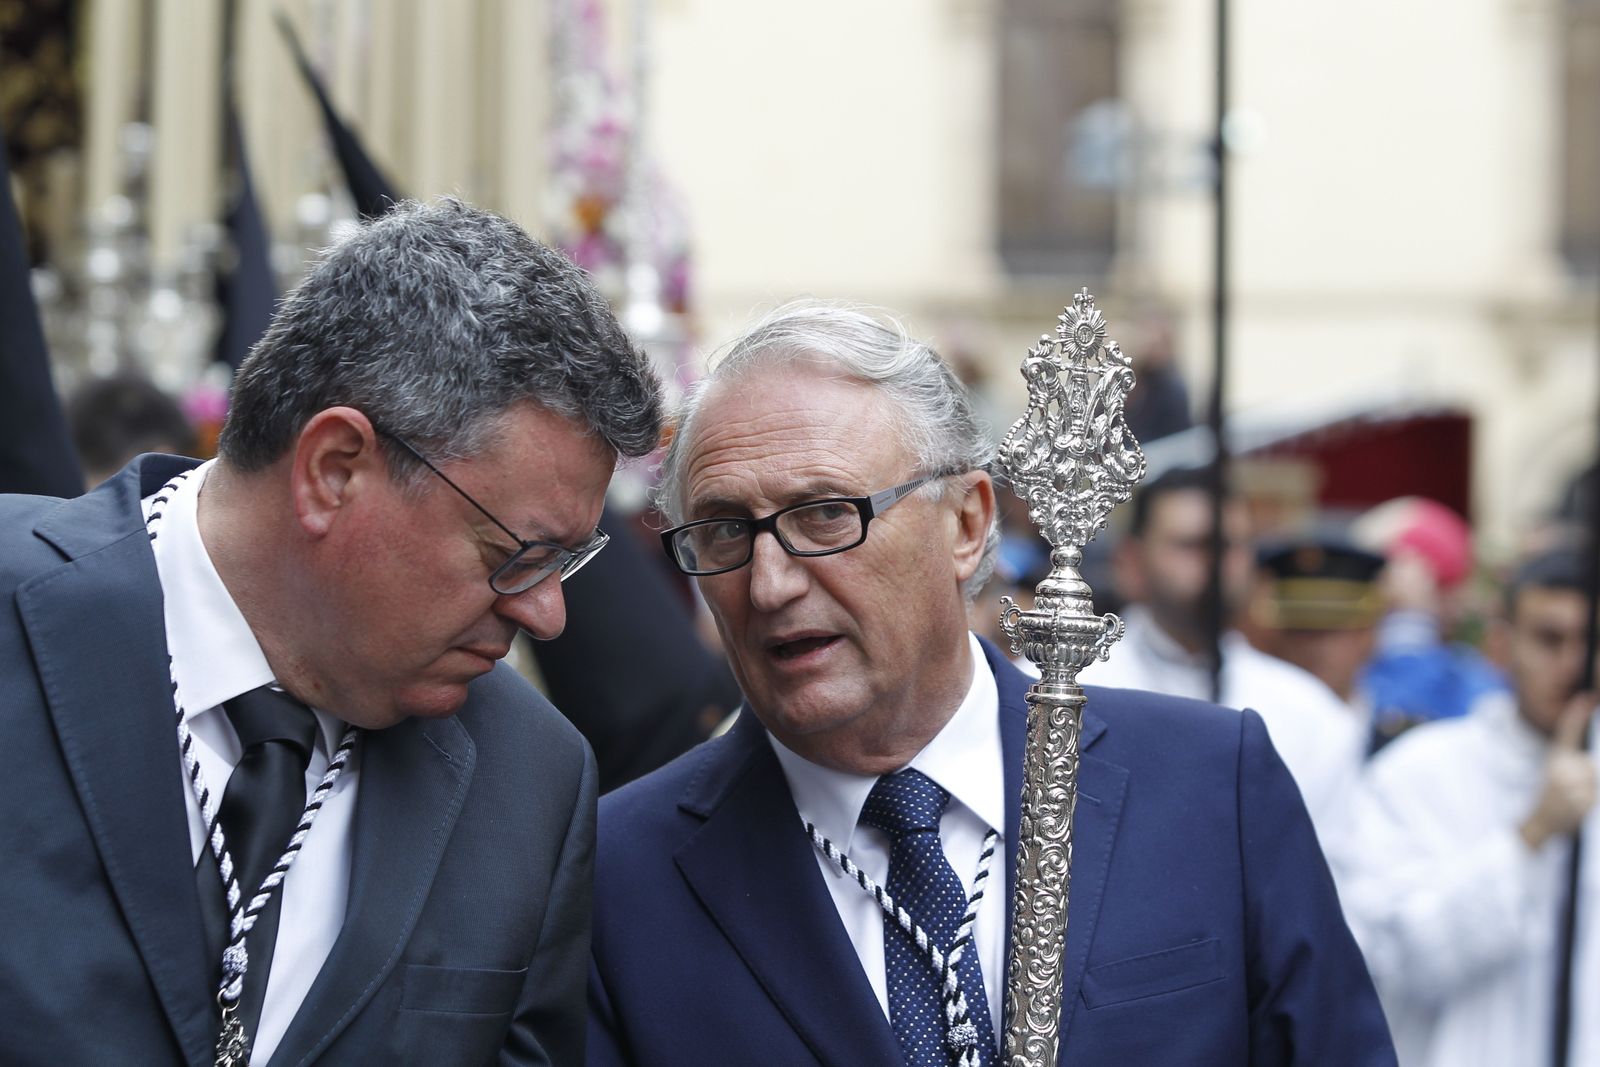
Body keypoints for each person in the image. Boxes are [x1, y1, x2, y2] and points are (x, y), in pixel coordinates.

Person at [588, 302, 1395, 1065]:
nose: (769, 584)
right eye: (725, 529)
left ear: (966, 525)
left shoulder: (1211, 786)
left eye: (826, 513)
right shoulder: (620, 876)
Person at [0, 198, 664, 1066]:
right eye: (516, 554)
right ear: (334, 470)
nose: (547, 613)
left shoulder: (528, 780)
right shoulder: (18, 610)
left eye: (564, 562)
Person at [1329, 547, 1600, 1066]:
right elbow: (1393, 957)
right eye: (1549, 639)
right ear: (1501, 644)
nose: (1572, 665)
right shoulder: (1418, 774)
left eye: (1590, 643)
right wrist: (1532, 835)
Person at [1078, 467, 1366, 836]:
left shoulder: (1310, 713)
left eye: (1230, 546)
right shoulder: (1067, 684)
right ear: (1131, 563)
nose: (1215, 565)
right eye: (1192, 545)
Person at [1253, 531, 1386, 716]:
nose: (1312, 646)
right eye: (1298, 630)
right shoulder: (1249, 723)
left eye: (1331, 629)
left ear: (1366, 634)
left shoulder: (1407, 733)